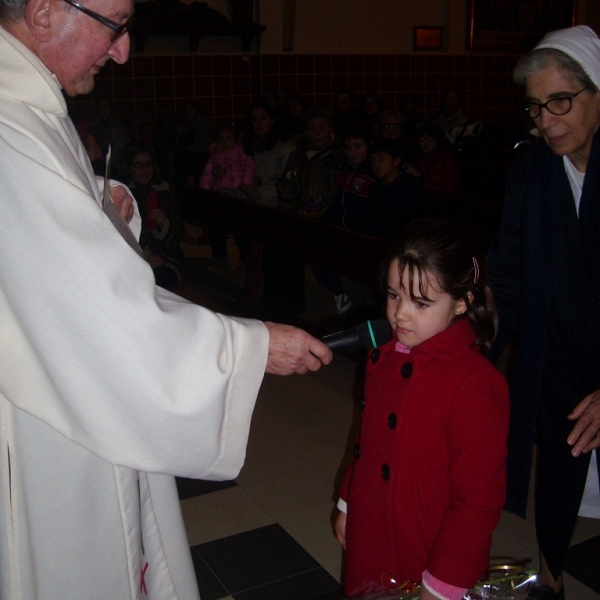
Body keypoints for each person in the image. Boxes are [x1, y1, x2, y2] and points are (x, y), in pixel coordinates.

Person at [0, 2, 332, 599]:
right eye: (116, 24)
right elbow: (104, 320)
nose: (123, 50)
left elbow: (52, 251)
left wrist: (103, 208)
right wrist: (252, 346)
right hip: (46, 430)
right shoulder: (9, 129)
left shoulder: (31, 109)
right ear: (46, 12)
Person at [334, 218, 510, 599]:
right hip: (373, 531)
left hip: (426, 547)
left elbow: (478, 501)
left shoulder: (475, 384)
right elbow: (368, 443)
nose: (400, 314)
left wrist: (444, 582)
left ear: (463, 302)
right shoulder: (383, 356)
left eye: (421, 303)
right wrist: (350, 503)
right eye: (394, 295)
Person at [487, 25, 600, 600]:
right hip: (557, 359)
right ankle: (551, 581)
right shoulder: (532, 172)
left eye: (562, 101)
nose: (547, 120)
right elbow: (505, 276)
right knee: (556, 479)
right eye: (536, 106)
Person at [122, 142, 185, 290]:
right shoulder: (123, 193)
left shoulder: (165, 192)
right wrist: (144, 254)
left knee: (159, 279)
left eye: (148, 164)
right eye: (138, 165)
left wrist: (164, 224)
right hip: (134, 255)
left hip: (165, 255)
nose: (144, 170)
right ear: (129, 168)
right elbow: (121, 233)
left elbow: (179, 232)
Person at [367, 137, 426, 240]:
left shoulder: (410, 188)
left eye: (381, 159)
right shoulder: (375, 188)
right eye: (373, 160)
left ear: (396, 160)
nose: (376, 164)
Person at [240, 100, 296, 207]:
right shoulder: (246, 145)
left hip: (273, 201)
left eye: (263, 118)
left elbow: (290, 185)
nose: (258, 123)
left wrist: (260, 192)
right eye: (254, 119)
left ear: (271, 120)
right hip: (247, 195)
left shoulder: (286, 148)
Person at [200, 123, 255, 193]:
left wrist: (246, 184)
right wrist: (205, 190)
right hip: (220, 189)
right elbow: (207, 174)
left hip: (238, 188)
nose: (224, 142)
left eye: (228, 139)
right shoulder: (214, 155)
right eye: (221, 139)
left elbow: (249, 167)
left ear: (235, 140)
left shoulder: (240, 151)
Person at [411, 121, 461, 198]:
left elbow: (453, 183)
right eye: (423, 138)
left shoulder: (446, 157)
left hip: (441, 199)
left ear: (437, 141)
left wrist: (435, 191)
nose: (426, 143)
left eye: (431, 140)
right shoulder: (415, 157)